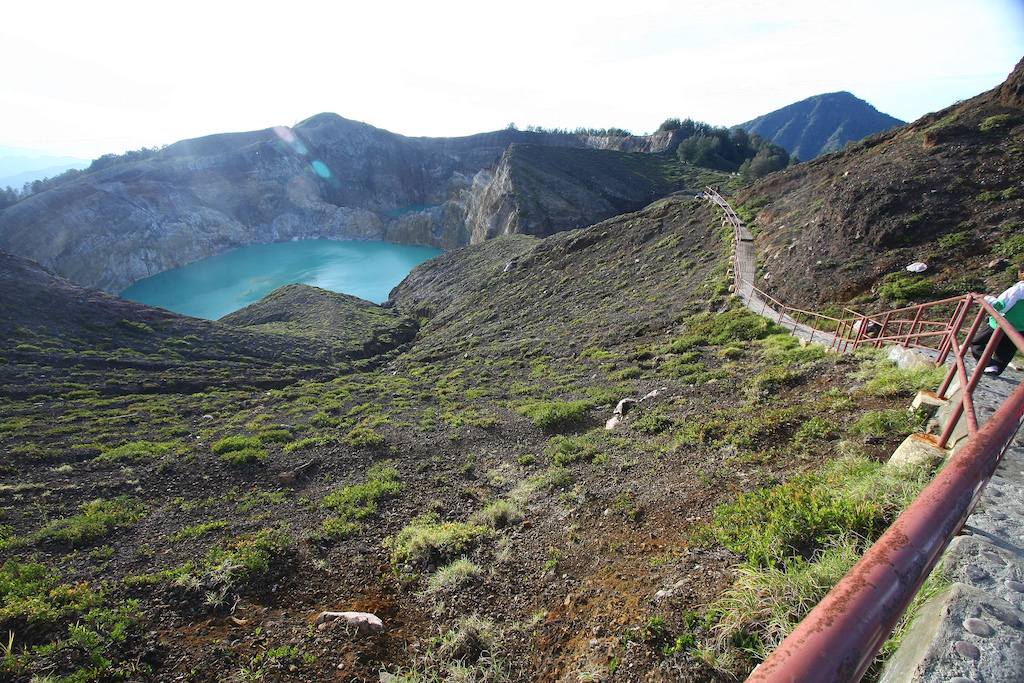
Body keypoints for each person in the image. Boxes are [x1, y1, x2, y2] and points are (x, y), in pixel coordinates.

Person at [971, 264, 1024, 375]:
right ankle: (996, 371)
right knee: (1005, 352)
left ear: (1021, 273)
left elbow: (1001, 307)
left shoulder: (1018, 290)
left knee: (977, 343)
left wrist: (986, 298)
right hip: (1020, 329)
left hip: (1001, 324)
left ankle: (988, 365)